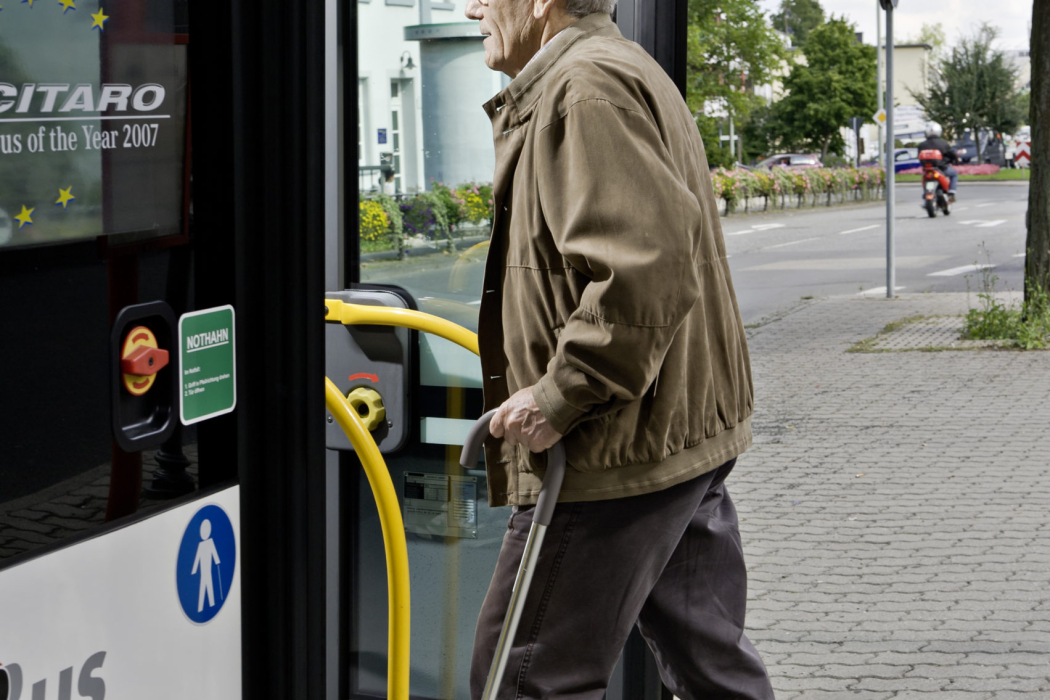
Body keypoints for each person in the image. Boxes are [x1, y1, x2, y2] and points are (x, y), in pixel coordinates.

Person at [463, 0, 774, 697]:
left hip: (609, 450)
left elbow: (646, 268)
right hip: (673, 438)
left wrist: (558, 395)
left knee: (523, 679)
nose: (472, 7)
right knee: (712, 671)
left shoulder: (583, 88)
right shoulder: (617, 70)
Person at [917, 121, 959, 198]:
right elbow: (951, 153)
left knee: (925, 178)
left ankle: (926, 192)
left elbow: (919, 157)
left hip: (927, 169)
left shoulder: (921, 145)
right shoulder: (943, 143)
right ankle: (952, 192)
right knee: (954, 174)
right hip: (942, 168)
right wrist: (956, 159)